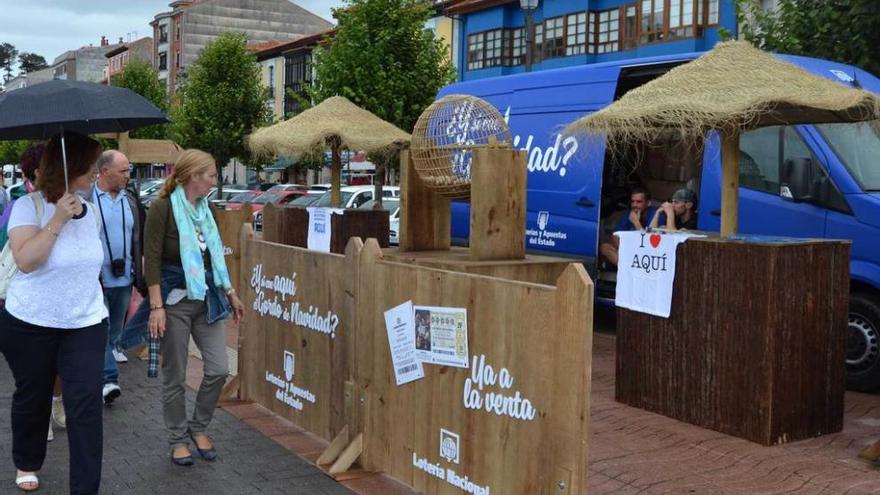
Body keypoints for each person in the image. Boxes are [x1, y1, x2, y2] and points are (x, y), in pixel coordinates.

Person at [0, 132, 106, 493]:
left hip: (85, 322)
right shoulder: (27, 207)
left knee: (86, 403)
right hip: (30, 323)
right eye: (91, 165)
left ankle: (85, 487)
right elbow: (27, 261)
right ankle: (27, 461)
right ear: (70, 167)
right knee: (34, 395)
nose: (96, 172)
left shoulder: (91, 212)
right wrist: (57, 219)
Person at [144, 149, 245, 466]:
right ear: (193, 177)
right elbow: (152, 261)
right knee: (175, 376)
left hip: (207, 299)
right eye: (212, 175)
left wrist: (230, 291)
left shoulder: (208, 209)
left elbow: (214, 258)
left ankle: (198, 426)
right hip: (174, 303)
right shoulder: (162, 208)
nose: (215, 180)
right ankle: (177, 438)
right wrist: (156, 307)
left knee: (218, 369)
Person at [92, 150, 146, 406]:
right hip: (97, 279)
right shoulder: (87, 199)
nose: (128, 175)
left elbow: (139, 237)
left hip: (125, 278)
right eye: (123, 171)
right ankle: (109, 379)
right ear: (105, 172)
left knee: (114, 332)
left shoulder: (131, 199)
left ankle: (99, 369)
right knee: (102, 331)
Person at [599, 187, 656, 266]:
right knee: (605, 247)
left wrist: (636, 223)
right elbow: (616, 235)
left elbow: (648, 242)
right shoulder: (630, 214)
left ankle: (630, 268)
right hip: (630, 252)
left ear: (648, 203)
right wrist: (625, 250)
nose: (634, 205)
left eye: (639, 202)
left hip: (648, 256)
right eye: (633, 201)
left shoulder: (654, 214)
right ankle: (628, 268)